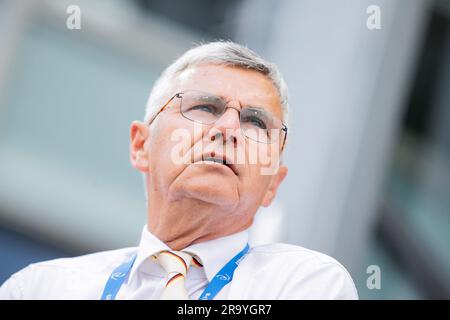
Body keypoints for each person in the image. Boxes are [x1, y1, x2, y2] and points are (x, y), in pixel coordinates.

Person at [0, 41, 358, 300]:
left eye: (255, 122)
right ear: (141, 145)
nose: (229, 129)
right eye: (205, 106)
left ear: (272, 186)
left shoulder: (304, 284)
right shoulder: (39, 289)